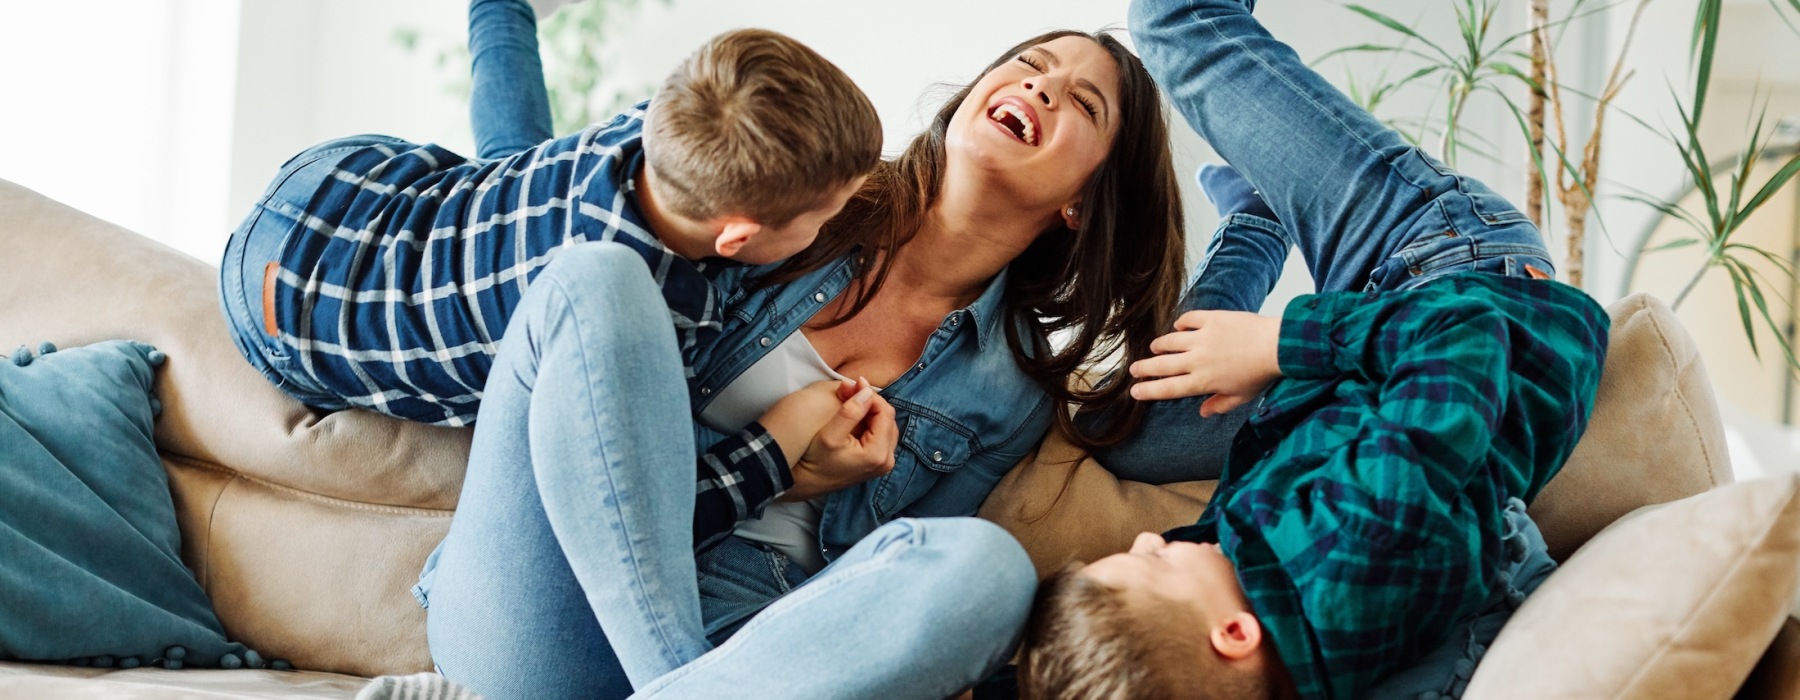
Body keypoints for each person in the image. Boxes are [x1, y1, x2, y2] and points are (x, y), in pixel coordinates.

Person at [412, 2, 1191, 700]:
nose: (1043, 86)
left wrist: (1252, 221)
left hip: (747, 649)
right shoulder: (804, 192)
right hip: (546, 610)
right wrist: (777, 466)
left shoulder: (1014, 388)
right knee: (597, 275)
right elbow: (551, 199)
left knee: (989, 570)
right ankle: (671, 678)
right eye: (1030, 63)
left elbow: (873, 592)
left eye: (1084, 103)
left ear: (1083, 200)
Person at [1016, 0, 1611, 699]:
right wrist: (1275, 345)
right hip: (1448, 274)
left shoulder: (1280, 619)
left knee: (1121, 424)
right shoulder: (1365, 537)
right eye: (1152, 564)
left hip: (1348, 386)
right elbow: (1467, 336)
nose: (1148, 541)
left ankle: (1256, 220)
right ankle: (1261, 215)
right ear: (1233, 635)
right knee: (1171, 22)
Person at [217, 0, 881, 428]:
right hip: (281, 316)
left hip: (336, 176)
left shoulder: (649, 131)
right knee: (506, 191)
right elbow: (658, 488)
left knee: (513, 167)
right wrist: (784, 452)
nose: (832, 224)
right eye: (825, 215)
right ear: (735, 235)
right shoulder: (643, 325)